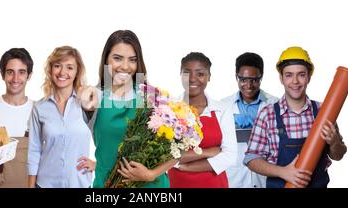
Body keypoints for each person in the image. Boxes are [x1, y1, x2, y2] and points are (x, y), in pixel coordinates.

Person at [80, 30, 177, 188]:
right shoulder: (94, 98)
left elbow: (178, 149)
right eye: (117, 58)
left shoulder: (152, 97)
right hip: (107, 185)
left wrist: (150, 174)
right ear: (106, 59)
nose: (125, 66)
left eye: (132, 60)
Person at [244, 46, 347, 188]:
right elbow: (251, 159)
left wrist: (334, 141)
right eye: (289, 75)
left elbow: (338, 155)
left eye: (301, 74)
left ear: (309, 77)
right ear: (281, 78)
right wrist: (283, 172)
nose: (295, 81)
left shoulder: (324, 111)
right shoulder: (267, 114)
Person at [167, 52, 237, 188]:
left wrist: (186, 167)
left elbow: (230, 155)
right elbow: (165, 156)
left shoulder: (222, 110)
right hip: (177, 184)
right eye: (187, 73)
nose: (192, 79)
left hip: (215, 184)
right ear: (180, 75)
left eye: (200, 74)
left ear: (209, 77)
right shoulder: (169, 110)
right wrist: (208, 152)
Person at [27, 46, 94, 188]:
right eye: (57, 66)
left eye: (69, 67)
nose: (63, 72)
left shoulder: (89, 104)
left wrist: (98, 164)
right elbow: (34, 150)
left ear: (77, 72)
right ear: (50, 70)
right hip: (46, 184)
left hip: (79, 183)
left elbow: (108, 139)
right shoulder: (39, 108)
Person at [221, 52, 278, 188]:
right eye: (243, 79)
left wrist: (259, 127)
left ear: (261, 78)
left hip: (265, 176)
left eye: (254, 80)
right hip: (234, 177)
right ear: (236, 77)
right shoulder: (223, 106)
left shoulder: (275, 104)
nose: (248, 85)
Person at [0, 48, 34, 188]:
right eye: (10, 72)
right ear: (2, 74)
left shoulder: (39, 110)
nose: (15, 79)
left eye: (21, 72)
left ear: (29, 75)